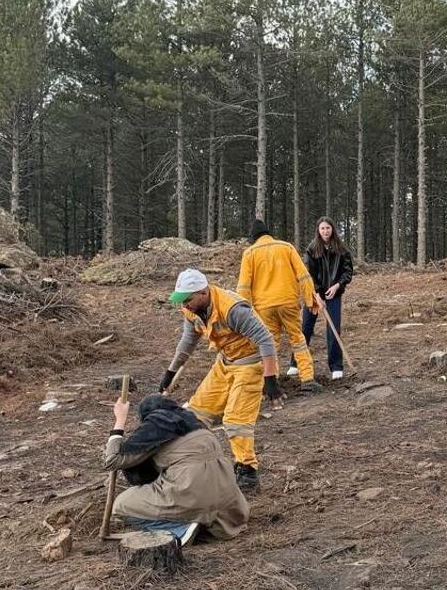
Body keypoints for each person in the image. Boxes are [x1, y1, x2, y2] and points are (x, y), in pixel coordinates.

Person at [159, 268, 283, 493]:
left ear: (203, 293)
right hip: (225, 362)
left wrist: (270, 379)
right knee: (196, 413)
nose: (184, 305)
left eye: (187, 300)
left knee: (236, 420)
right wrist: (170, 372)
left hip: (251, 363)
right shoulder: (192, 310)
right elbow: (188, 341)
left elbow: (265, 340)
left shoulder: (232, 309)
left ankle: (247, 471)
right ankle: (197, 464)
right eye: (181, 300)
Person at [104, 393, 250, 543]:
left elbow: (113, 460)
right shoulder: (197, 423)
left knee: (121, 505)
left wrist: (120, 420)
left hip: (192, 493)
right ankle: (200, 522)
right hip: (227, 500)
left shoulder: (158, 424)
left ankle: (179, 528)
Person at [239, 219, 322, 392]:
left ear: (253, 238)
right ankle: (307, 379)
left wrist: (243, 313)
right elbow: (303, 275)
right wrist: (311, 299)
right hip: (288, 302)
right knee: (297, 339)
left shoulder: (249, 253)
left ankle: (271, 380)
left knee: (270, 343)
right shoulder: (286, 247)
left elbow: (244, 286)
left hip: (264, 307)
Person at [301, 217, 354, 381]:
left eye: (328, 228)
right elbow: (308, 273)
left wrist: (337, 285)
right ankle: (296, 363)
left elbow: (347, 272)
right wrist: (317, 294)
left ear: (333, 229)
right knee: (306, 326)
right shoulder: (312, 249)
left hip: (334, 294)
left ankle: (336, 366)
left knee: (333, 328)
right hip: (314, 294)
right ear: (318, 230)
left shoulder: (341, 249)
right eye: (322, 228)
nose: (325, 231)